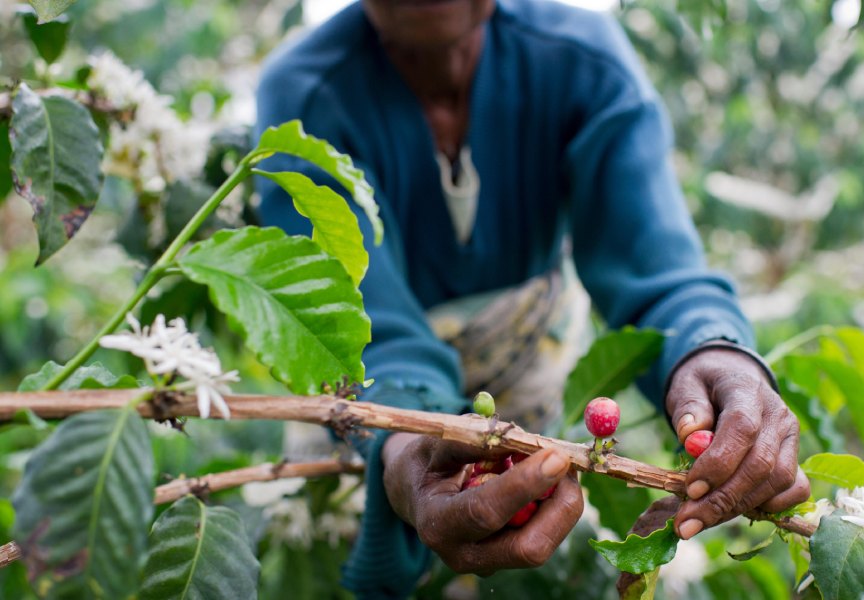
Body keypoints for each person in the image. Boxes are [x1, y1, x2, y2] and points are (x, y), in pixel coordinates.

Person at [255, 0, 810, 597]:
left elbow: (657, 265)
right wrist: (401, 441)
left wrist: (712, 351)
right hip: (379, 402)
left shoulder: (585, 61)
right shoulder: (307, 93)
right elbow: (352, 322)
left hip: (530, 378)